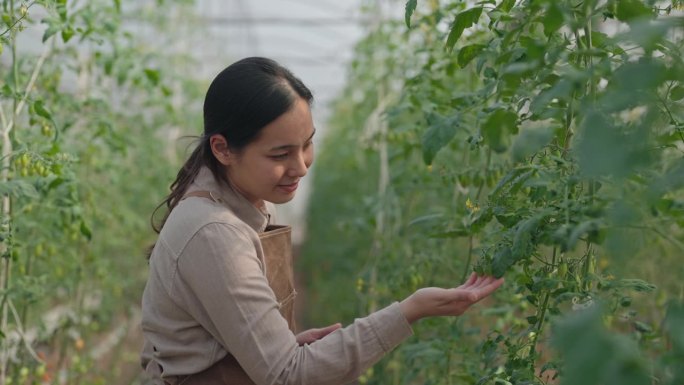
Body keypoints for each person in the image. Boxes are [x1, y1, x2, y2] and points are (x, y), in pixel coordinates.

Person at [140, 57, 504, 385]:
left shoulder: (231, 206)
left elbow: (213, 346)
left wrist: (282, 344)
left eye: (307, 144)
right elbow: (289, 374)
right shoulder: (214, 232)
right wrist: (411, 310)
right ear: (222, 149)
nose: (300, 166)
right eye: (280, 153)